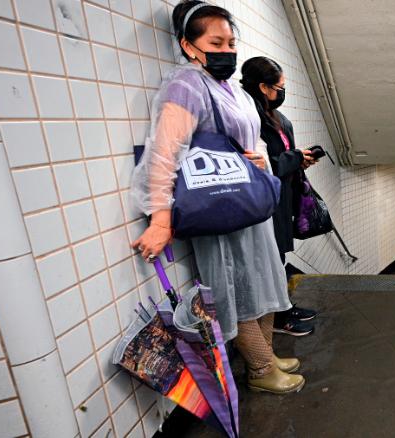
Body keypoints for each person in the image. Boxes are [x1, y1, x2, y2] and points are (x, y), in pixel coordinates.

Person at [129, 0, 304, 394]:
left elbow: (248, 137)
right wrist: (160, 219)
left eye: (230, 42)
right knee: (239, 287)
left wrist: (259, 155)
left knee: (264, 281)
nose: (227, 51)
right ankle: (260, 370)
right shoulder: (186, 85)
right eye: (216, 42)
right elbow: (163, 151)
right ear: (189, 46)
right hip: (219, 206)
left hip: (248, 201)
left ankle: (267, 355)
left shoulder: (228, 89)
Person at [240, 57, 319, 337]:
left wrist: (300, 160)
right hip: (265, 200)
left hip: (283, 195)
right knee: (270, 259)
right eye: (279, 87)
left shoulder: (274, 116)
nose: (282, 92)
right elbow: (261, 162)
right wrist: (294, 158)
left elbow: (278, 158)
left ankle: (284, 308)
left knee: (280, 255)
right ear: (263, 86)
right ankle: (278, 319)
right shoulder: (250, 117)